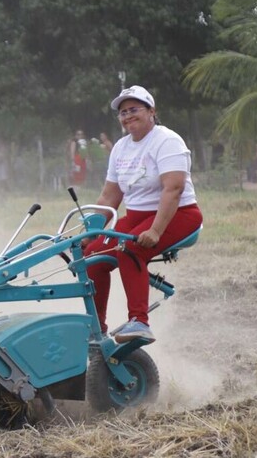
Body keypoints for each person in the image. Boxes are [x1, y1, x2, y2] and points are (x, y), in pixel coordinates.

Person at [82, 85, 203, 343]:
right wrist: (90, 232)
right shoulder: (121, 147)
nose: (128, 116)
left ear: (151, 111)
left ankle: (139, 322)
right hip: (137, 217)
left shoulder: (167, 141)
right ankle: (96, 330)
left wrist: (156, 231)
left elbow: (174, 189)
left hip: (178, 214)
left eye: (134, 109)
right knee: (92, 256)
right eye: (123, 112)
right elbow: (109, 196)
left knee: (130, 248)